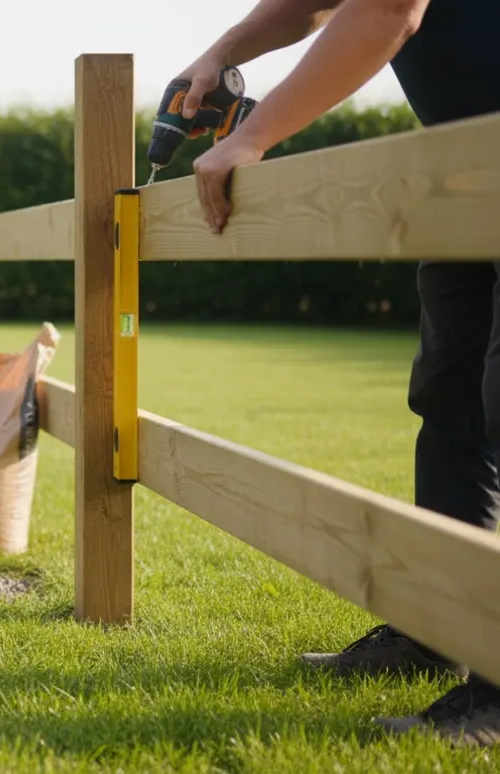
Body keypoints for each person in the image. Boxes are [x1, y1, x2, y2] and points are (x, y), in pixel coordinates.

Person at [174, 0, 500, 748]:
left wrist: (251, 139)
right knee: (449, 396)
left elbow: (387, 9)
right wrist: (226, 49)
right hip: (466, 163)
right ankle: (437, 627)